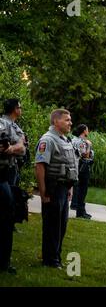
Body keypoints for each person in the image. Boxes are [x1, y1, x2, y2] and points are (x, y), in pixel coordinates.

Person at [35, 109, 78, 268]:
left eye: (70, 120)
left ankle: (56, 257)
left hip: (63, 188)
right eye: (67, 120)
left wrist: (69, 187)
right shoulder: (48, 140)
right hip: (52, 189)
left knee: (61, 226)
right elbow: (40, 167)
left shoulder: (64, 139)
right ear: (56, 122)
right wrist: (43, 192)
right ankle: (50, 260)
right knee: (52, 227)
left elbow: (68, 164)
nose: (70, 123)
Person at [0, 99, 26, 274]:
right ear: (15, 109)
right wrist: (11, 148)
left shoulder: (14, 126)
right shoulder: (2, 123)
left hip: (10, 173)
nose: (21, 109)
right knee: (5, 217)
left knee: (9, 216)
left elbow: (22, 148)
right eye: (20, 106)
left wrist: (14, 148)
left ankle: (4, 262)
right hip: (2, 173)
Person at [71, 124, 94, 219]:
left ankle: (75, 205)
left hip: (75, 166)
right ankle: (80, 212)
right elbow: (85, 155)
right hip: (82, 166)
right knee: (83, 189)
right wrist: (89, 146)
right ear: (84, 131)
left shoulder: (73, 140)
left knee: (77, 187)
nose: (88, 131)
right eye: (87, 130)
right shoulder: (82, 142)